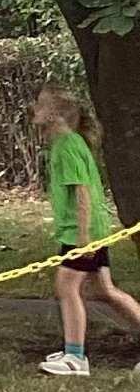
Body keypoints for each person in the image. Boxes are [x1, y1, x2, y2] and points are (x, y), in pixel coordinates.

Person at [32, 85, 139, 377]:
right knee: (106, 290)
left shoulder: (68, 145)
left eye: (40, 104)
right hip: (90, 230)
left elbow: (82, 193)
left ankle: (75, 358)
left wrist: (83, 238)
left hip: (82, 232)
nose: (34, 109)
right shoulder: (66, 143)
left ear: (54, 114)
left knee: (66, 286)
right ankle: (73, 352)